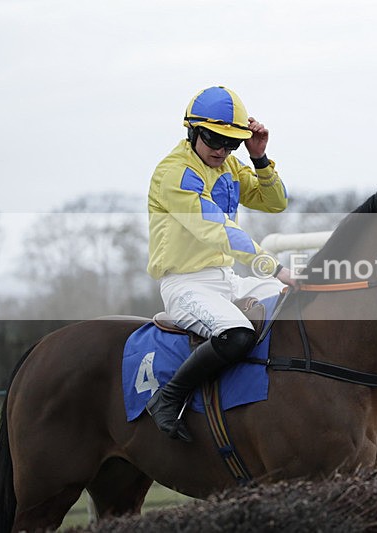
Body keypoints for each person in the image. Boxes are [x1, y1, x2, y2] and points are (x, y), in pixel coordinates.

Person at [145, 86, 295, 441]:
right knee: (238, 334)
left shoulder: (229, 164)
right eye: (214, 139)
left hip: (228, 279)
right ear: (193, 131)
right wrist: (274, 267)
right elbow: (217, 229)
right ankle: (168, 398)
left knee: (292, 304)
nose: (222, 150)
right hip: (186, 284)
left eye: (232, 143)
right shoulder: (175, 174)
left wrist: (258, 158)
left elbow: (275, 203)